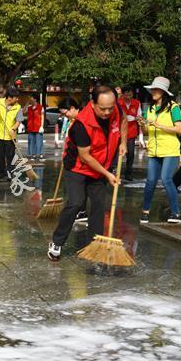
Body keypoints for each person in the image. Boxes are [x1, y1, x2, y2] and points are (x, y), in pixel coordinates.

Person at [48, 86, 127, 261]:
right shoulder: (82, 125)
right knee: (76, 202)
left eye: (110, 108)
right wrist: (107, 174)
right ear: (92, 103)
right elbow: (85, 157)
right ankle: (57, 241)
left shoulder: (116, 109)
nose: (107, 112)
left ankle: (94, 245)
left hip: (100, 166)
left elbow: (123, 121)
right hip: (77, 167)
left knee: (99, 204)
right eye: (103, 108)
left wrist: (123, 142)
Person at [138, 76, 181, 224]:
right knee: (150, 181)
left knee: (166, 179)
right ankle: (145, 212)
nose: (153, 92)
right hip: (154, 150)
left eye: (156, 89)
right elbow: (146, 131)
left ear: (164, 92)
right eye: (153, 89)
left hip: (170, 150)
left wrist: (158, 125)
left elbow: (179, 129)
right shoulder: (149, 108)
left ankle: (176, 213)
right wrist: (142, 124)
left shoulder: (173, 107)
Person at [57, 97, 88, 225]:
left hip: (78, 162)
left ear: (73, 108)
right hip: (72, 159)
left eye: (65, 113)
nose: (65, 116)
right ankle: (81, 211)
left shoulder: (82, 121)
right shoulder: (72, 120)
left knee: (77, 191)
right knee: (78, 190)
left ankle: (79, 212)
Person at [0, 87, 21, 181]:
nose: (17, 99)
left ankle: (10, 174)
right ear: (9, 97)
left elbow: (18, 120)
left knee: (10, 157)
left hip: (10, 137)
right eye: (16, 97)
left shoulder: (18, 107)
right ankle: (0, 175)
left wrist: (14, 128)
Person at [116, 86, 141, 182]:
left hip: (131, 132)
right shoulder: (118, 103)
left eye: (130, 94)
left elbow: (139, 116)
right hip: (119, 132)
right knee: (118, 153)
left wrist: (136, 118)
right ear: (122, 94)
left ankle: (128, 173)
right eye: (126, 94)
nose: (128, 96)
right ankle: (116, 172)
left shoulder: (137, 103)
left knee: (130, 154)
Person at [24, 93, 44, 159]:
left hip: (38, 127)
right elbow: (23, 111)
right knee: (31, 141)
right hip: (30, 127)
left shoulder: (40, 107)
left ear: (35, 99)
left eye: (31, 97)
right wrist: (27, 103)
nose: (30, 99)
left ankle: (40, 153)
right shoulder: (29, 108)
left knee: (39, 141)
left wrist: (42, 126)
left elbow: (42, 117)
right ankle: (32, 154)